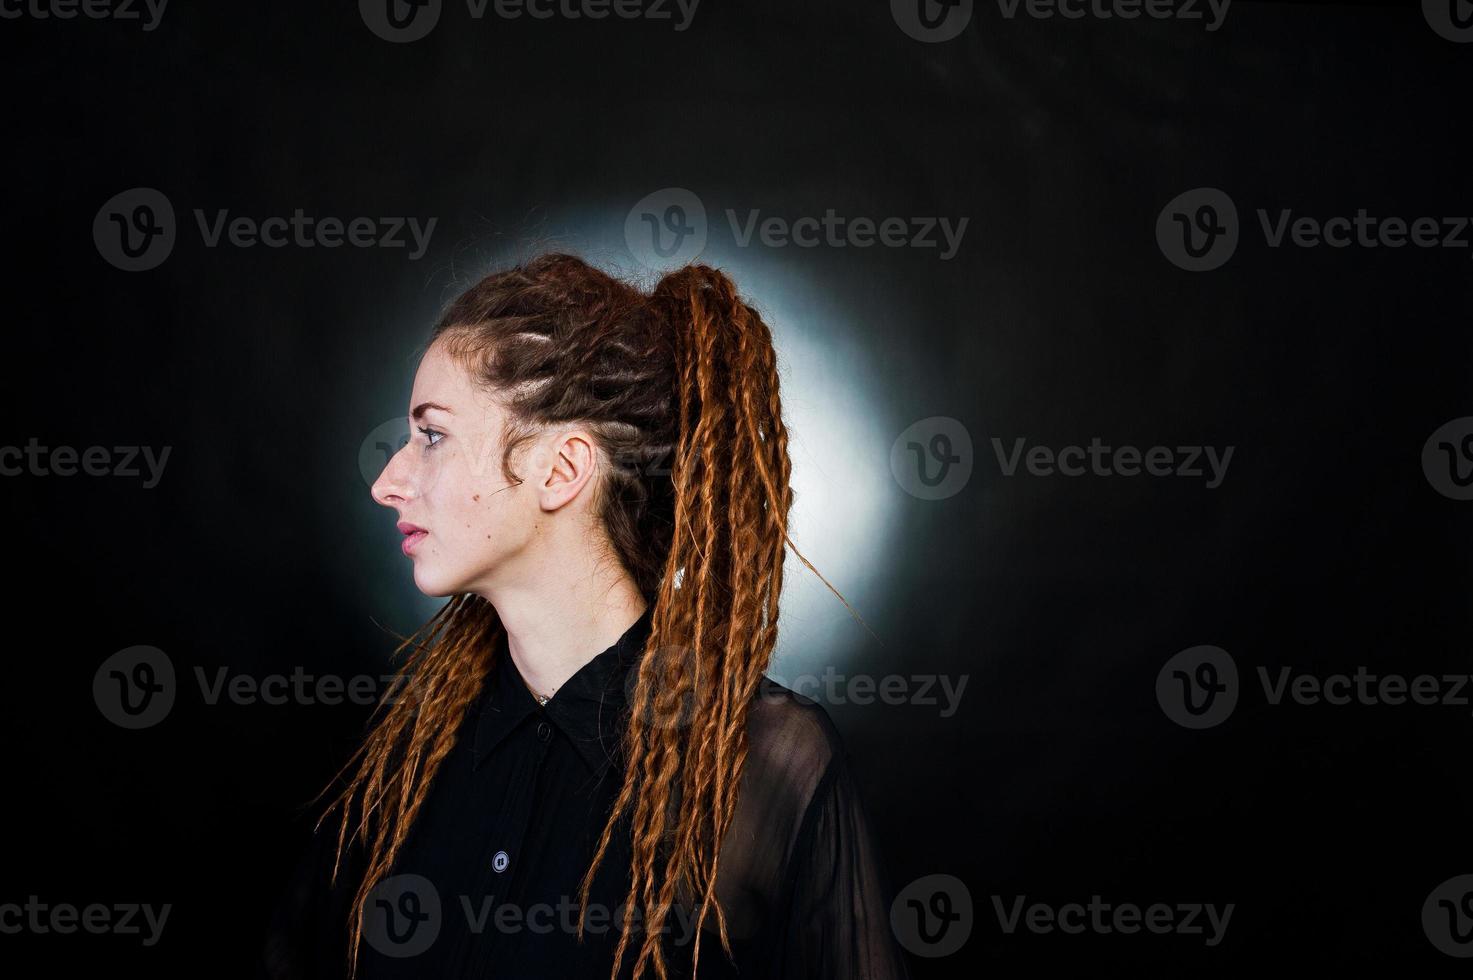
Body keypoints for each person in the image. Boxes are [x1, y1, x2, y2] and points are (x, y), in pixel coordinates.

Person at [259, 253, 911, 980]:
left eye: (432, 435)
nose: (387, 482)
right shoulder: (411, 756)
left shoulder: (763, 766)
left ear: (563, 470)